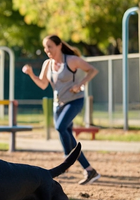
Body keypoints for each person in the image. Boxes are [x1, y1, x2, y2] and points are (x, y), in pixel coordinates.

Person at [22, 35, 101, 185]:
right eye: (45, 47)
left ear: (59, 46)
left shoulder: (71, 60)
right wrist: (31, 73)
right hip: (58, 104)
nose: (47, 50)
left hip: (74, 100)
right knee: (66, 134)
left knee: (60, 127)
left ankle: (67, 156)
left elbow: (92, 70)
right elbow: (43, 84)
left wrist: (80, 84)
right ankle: (90, 170)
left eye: (50, 46)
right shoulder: (48, 64)